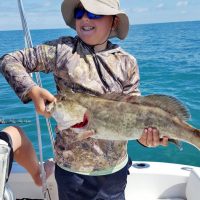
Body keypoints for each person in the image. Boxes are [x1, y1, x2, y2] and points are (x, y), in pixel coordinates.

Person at [0, 0, 169, 199]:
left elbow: (134, 113)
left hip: (114, 173)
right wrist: (31, 89)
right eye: (80, 12)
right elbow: (9, 60)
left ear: (114, 22)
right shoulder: (62, 50)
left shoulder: (127, 62)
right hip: (71, 173)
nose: (86, 18)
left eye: (95, 13)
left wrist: (147, 139)